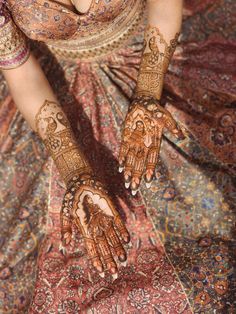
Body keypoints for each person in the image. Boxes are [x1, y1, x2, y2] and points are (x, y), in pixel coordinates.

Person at [0, 0, 235, 312]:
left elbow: (164, 7)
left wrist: (148, 93)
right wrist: (76, 172)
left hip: (155, 52)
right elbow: (23, 74)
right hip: (55, 95)